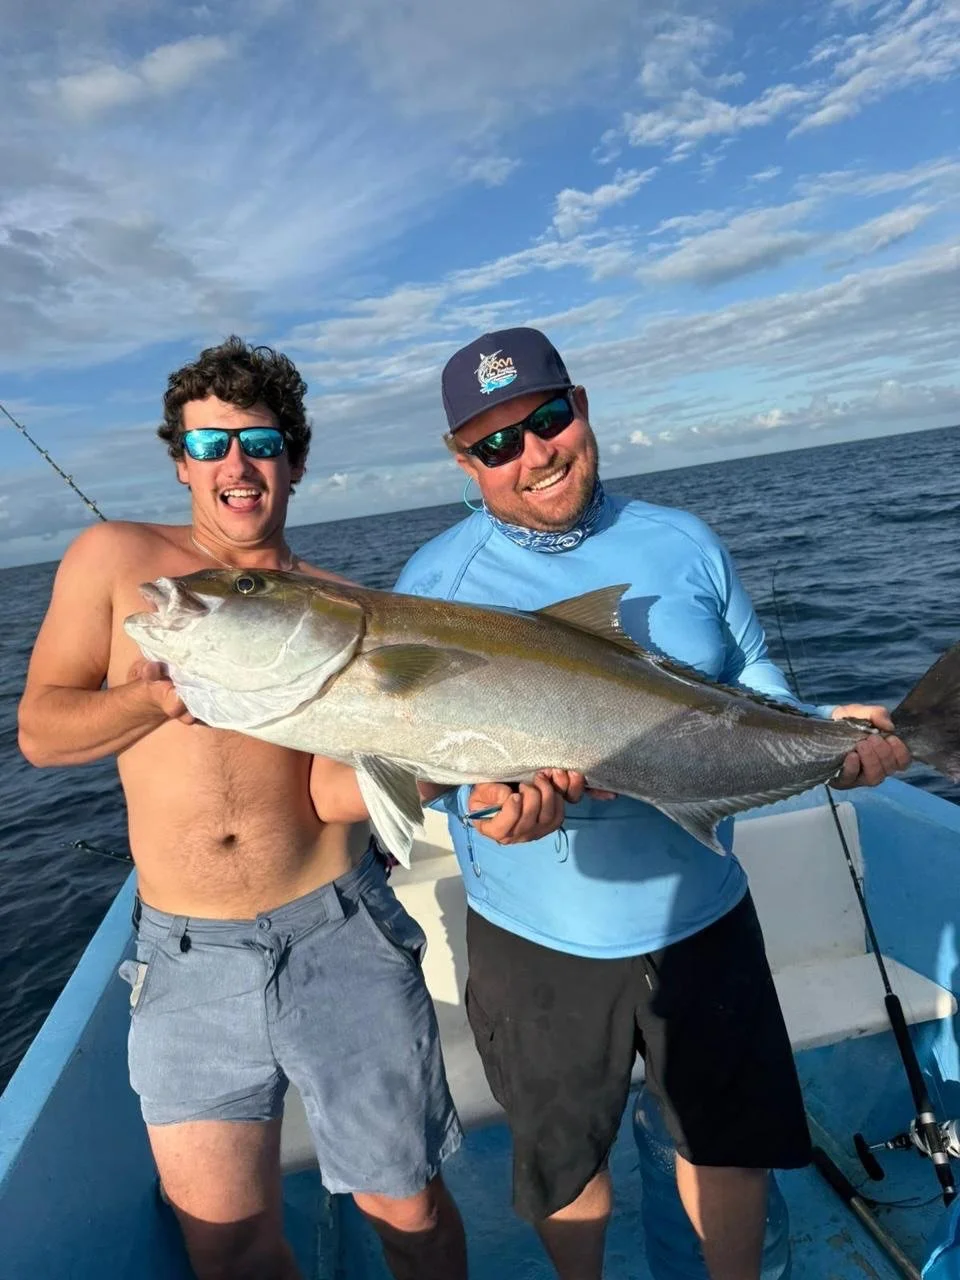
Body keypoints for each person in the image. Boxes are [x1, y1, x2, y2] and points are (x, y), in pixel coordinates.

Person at [16, 335, 572, 1280]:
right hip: (186, 959)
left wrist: (453, 769)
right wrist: (154, 697)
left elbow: (332, 792)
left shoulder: (345, 607)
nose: (236, 465)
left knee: (410, 1208)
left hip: (338, 931)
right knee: (227, 1243)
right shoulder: (119, 565)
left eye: (260, 442)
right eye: (208, 446)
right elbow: (41, 730)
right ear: (180, 462)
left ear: (296, 460)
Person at [389, 327, 911, 1280]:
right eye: (496, 444)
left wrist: (826, 734)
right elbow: (442, 768)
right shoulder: (434, 593)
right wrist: (486, 810)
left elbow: (755, 688)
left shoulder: (682, 541)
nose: (534, 454)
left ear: (582, 406)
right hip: (538, 935)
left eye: (548, 420)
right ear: (463, 463)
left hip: (700, 910)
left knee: (723, 1145)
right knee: (564, 1164)